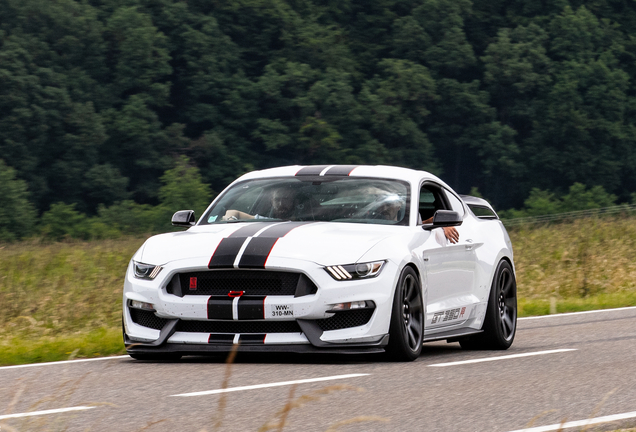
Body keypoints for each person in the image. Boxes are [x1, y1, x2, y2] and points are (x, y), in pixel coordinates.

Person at [222, 188, 298, 221]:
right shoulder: (266, 221)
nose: (281, 204)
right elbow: (232, 212)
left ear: (293, 201)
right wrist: (231, 220)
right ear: (272, 201)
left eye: (286, 199)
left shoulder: (304, 223)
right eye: (277, 200)